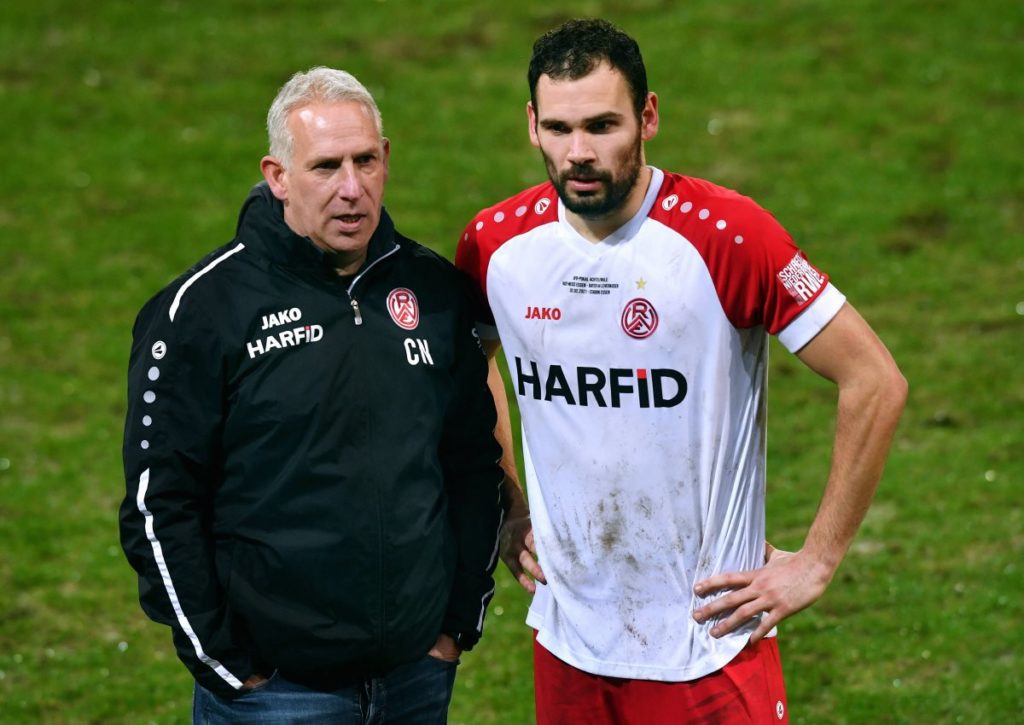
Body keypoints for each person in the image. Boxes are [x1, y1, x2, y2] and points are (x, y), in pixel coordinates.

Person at [455, 19, 907, 724]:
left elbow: (875, 380)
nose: (579, 153)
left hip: (710, 650)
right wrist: (509, 506)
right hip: (570, 648)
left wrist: (817, 561)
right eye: (559, 127)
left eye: (603, 125)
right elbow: (468, 369)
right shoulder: (497, 245)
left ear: (649, 117)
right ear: (532, 126)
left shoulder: (727, 236)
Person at [120, 66, 504, 724]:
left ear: (386, 159)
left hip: (415, 676)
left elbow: (473, 465)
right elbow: (160, 505)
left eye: (365, 162)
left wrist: (455, 626)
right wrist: (227, 663)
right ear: (277, 176)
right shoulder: (202, 312)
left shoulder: (435, 292)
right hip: (274, 692)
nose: (351, 189)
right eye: (326, 166)